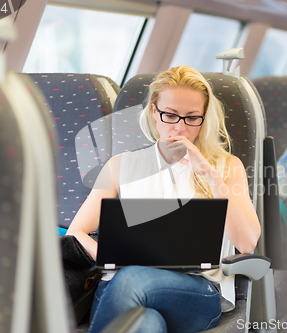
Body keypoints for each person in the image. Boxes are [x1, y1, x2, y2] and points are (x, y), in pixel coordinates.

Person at [66, 66, 261, 333]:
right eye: (170, 115)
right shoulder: (120, 166)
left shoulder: (226, 167)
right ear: (153, 112)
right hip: (117, 288)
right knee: (147, 324)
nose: (180, 128)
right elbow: (77, 232)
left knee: (131, 278)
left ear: (204, 118)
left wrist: (208, 173)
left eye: (192, 118)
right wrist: (112, 256)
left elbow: (247, 242)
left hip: (193, 291)